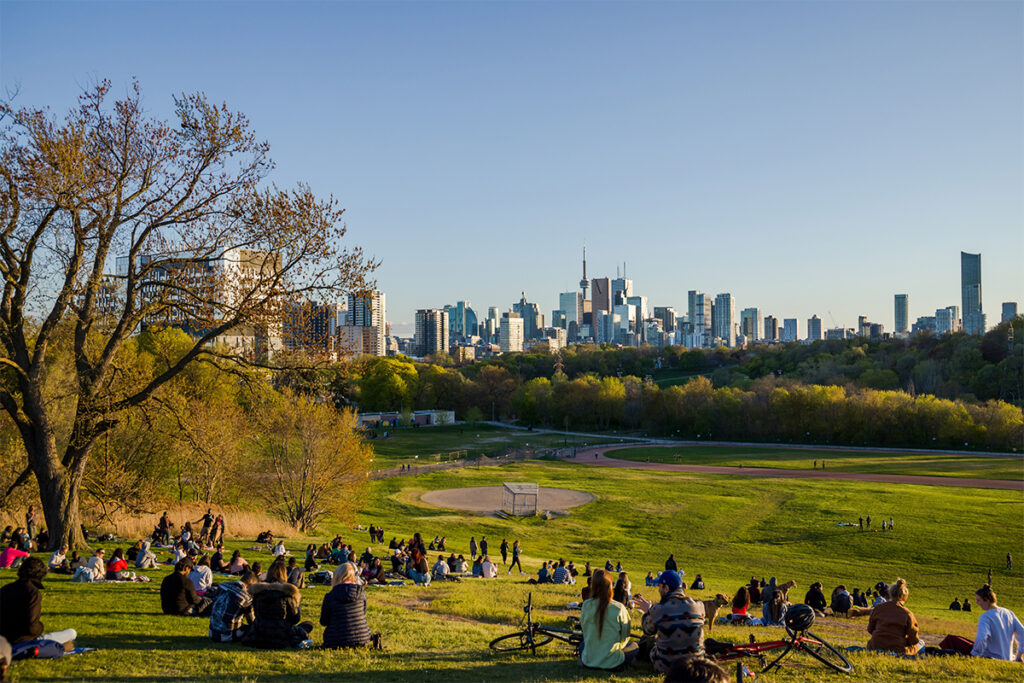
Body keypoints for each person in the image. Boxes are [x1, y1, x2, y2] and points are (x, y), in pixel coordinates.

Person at [0, 557, 78, 653]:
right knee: (72, 633)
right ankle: (60, 647)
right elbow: (32, 626)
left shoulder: (5, 589)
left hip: (3, 639)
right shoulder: (33, 593)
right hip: (24, 641)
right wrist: (40, 628)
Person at [634, 569, 705, 674]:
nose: (659, 590)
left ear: (666, 588)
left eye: (660, 587)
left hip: (667, 666)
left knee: (650, 646)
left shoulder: (658, 609)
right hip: (696, 665)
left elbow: (647, 631)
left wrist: (648, 611)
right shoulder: (699, 605)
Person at [244, 565, 314, 648]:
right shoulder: (287, 593)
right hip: (281, 634)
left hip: (260, 632)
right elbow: (295, 618)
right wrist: (297, 606)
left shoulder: (258, 593)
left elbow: (255, 614)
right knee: (308, 625)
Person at [579, 569, 636, 670]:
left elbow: (584, 630)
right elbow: (625, 636)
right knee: (634, 645)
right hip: (613, 662)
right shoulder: (619, 608)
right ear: (610, 586)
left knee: (582, 645)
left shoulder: (586, 605)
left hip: (588, 661)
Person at [322, 562, 372, 648]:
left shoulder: (330, 596)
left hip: (336, 639)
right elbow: (363, 613)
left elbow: (324, 621)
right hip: (361, 637)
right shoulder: (361, 592)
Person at [867, 578, 922, 655]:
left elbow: (870, 629)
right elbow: (914, 640)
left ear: (890, 594)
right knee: (921, 644)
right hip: (898, 649)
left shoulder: (877, 608)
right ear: (905, 597)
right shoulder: (907, 614)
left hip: (875, 646)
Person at [970, 584, 1024, 660]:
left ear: (987, 600)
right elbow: (1022, 633)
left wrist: (975, 654)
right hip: (1008, 657)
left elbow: (981, 638)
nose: (977, 603)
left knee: (954, 640)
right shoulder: (1009, 613)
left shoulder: (985, 617)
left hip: (991, 657)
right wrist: (1019, 655)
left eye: (979, 600)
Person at [209, 569, 256, 642]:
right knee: (253, 629)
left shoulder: (222, 586)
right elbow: (252, 621)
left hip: (212, 632)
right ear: (251, 584)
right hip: (227, 635)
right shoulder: (246, 598)